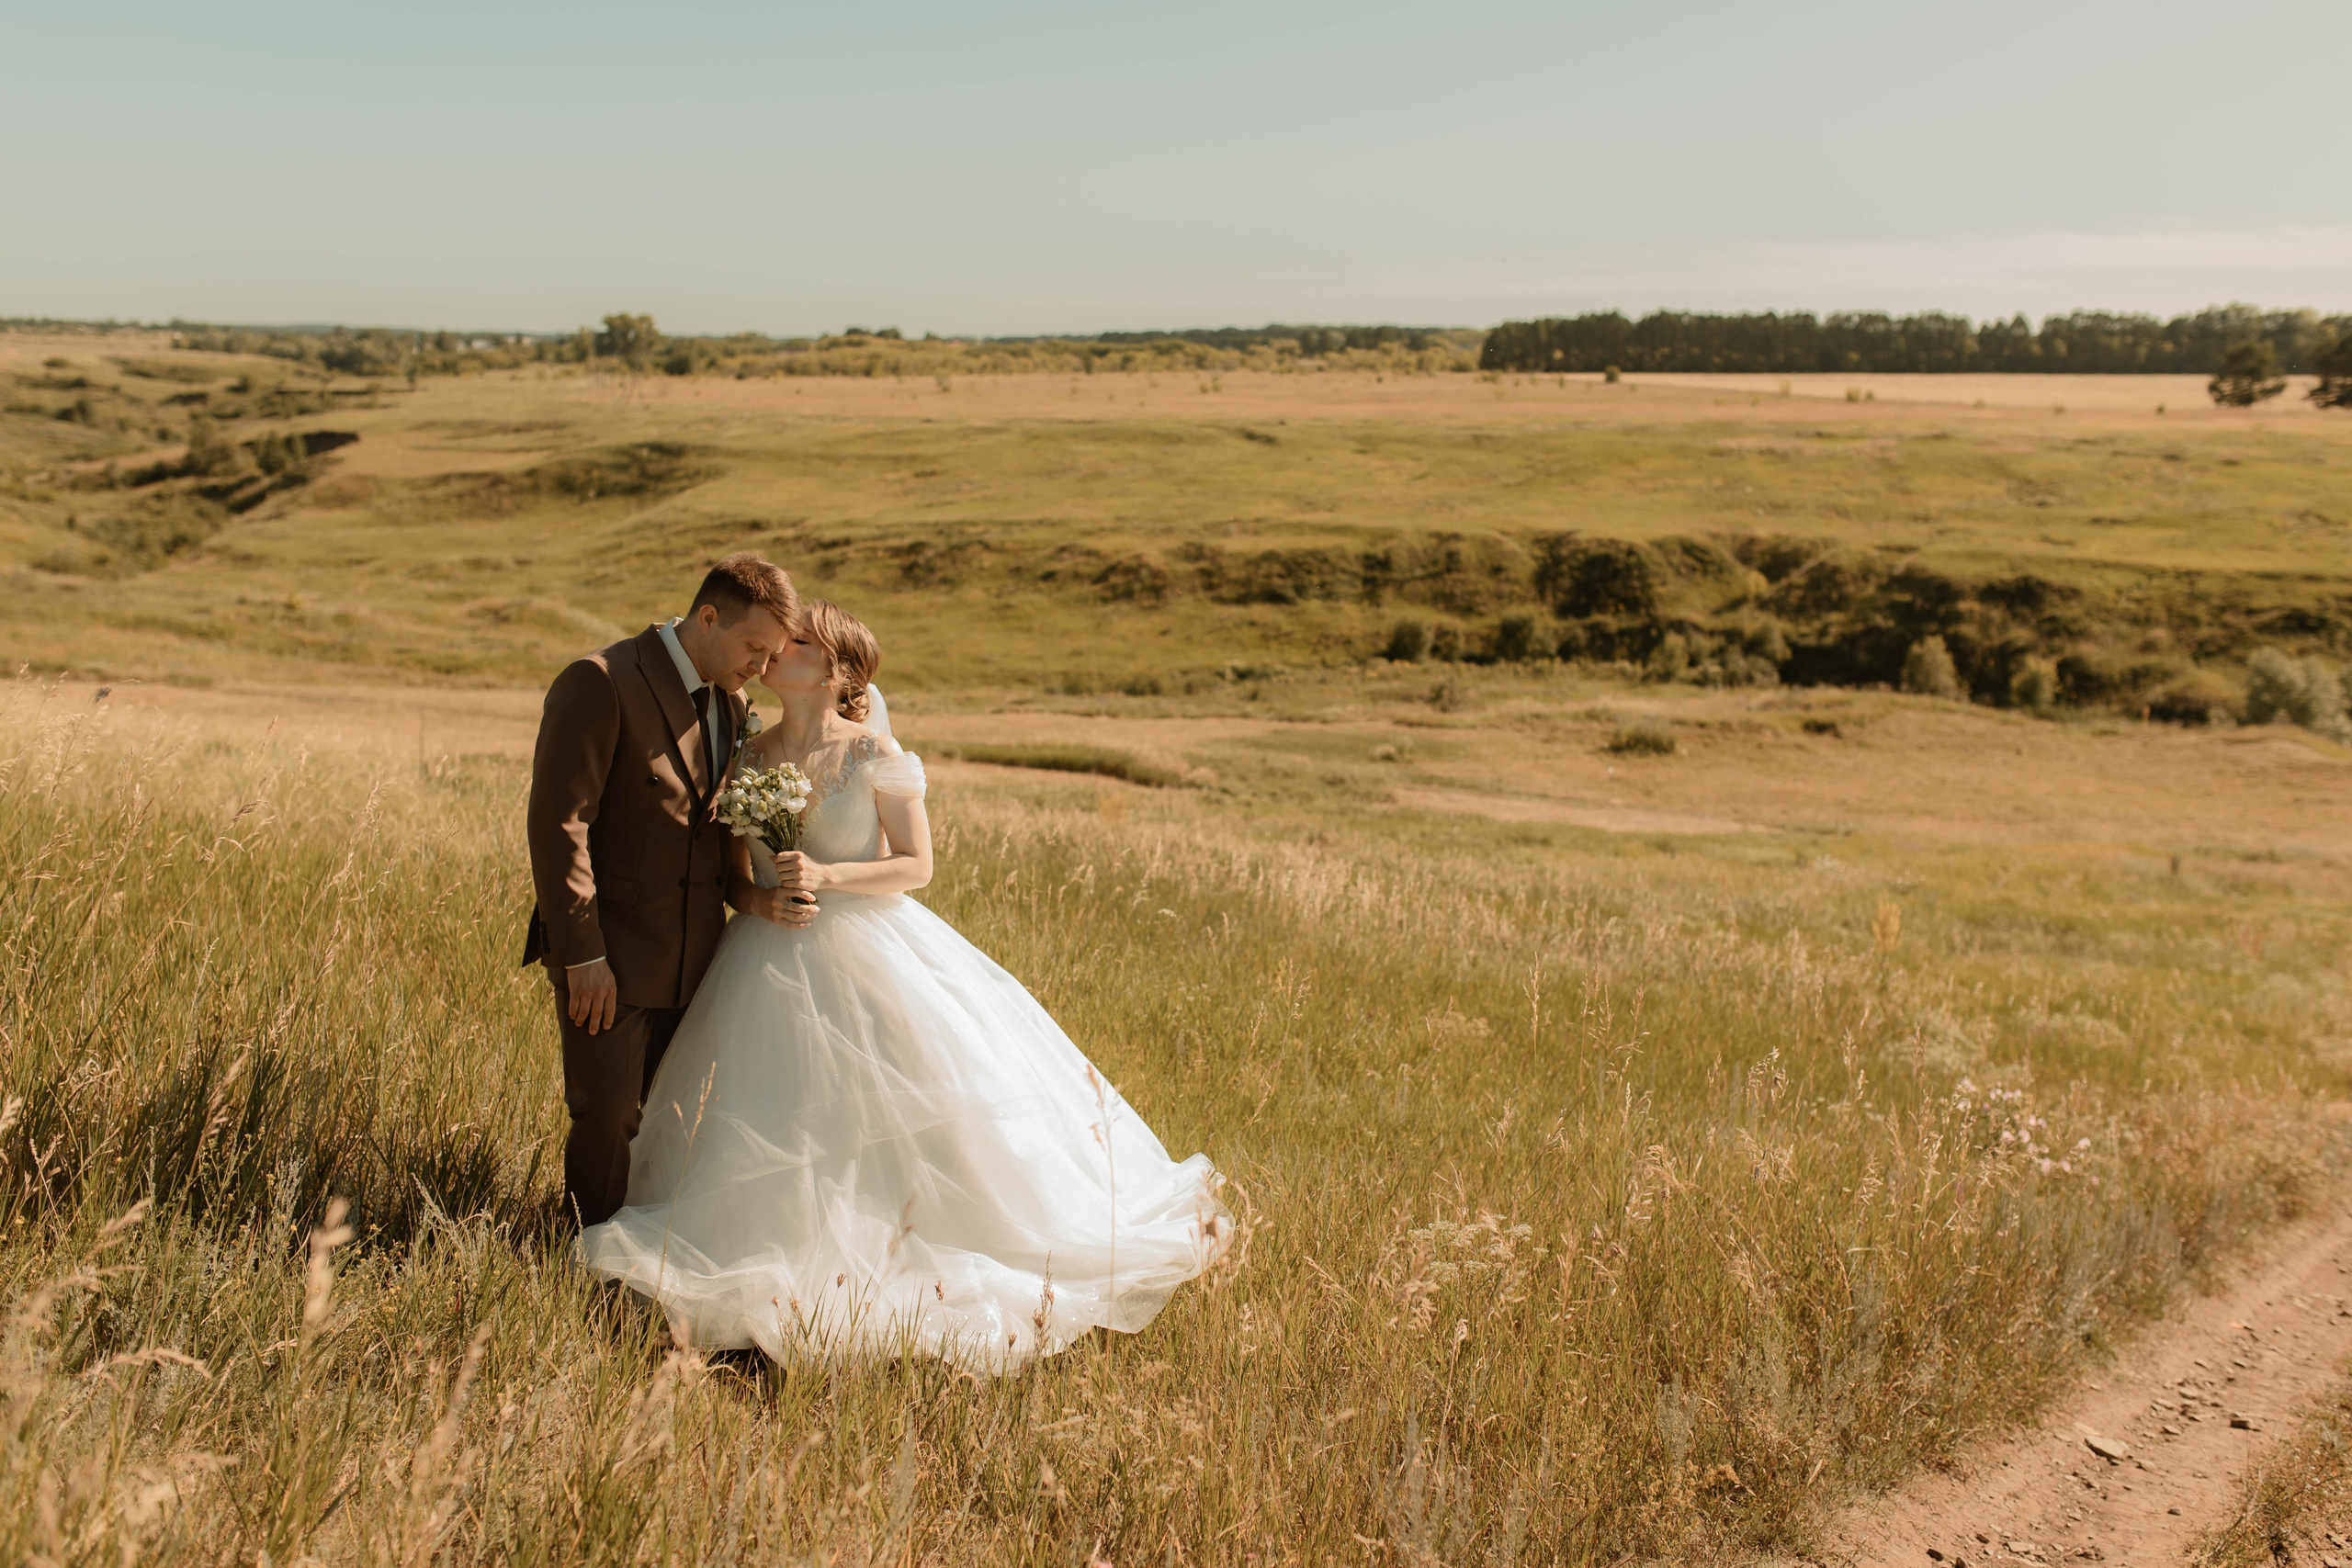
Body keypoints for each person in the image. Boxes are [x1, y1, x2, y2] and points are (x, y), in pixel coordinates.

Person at [578, 602, 1228, 1368]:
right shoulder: (747, 757)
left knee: (889, 1122)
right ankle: (768, 1260)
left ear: (838, 670)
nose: (777, 649)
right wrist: (762, 900)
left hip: (866, 949)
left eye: (800, 643)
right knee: (771, 1118)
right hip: (761, 959)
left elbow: (916, 865)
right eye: (778, 640)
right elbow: (731, 878)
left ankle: (905, 1252)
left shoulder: (874, 751)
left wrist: (826, 874)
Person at [523, 554, 799, 1229]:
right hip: (609, 956)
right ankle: (583, 1260)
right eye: (753, 648)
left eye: (772, 656)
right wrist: (582, 954)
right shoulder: (601, 681)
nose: (761, 668)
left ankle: (648, 1263)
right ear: (707, 618)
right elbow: (559, 826)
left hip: (698, 959)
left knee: (677, 1120)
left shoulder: (732, 703)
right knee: (609, 1115)